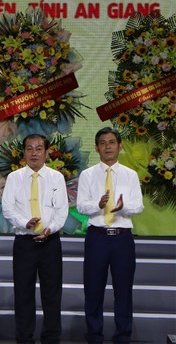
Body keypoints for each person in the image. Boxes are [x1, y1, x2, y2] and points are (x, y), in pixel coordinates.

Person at [76, 127, 144, 344]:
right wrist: (98, 204)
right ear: (97, 148)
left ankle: (122, 336)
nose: (108, 147)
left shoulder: (130, 175)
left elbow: (139, 206)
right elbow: (81, 206)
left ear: (120, 146)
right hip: (97, 238)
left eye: (112, 142)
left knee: (123, 291)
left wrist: (122, 207)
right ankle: (94, 336)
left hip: (122, 238)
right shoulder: (87, 175)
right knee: (93, 290)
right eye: (103, 143)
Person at [1, 134, 68, 344]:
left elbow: (62, 211)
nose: (34, 153)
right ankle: (24, 338)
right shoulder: (15, 178)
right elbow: (8, 208)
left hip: (50, 242)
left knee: (52, 294)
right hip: (24, 244)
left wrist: (50, 228)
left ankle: (51, 338)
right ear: (24, 153)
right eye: (29, 148)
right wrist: (25, 223)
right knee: (23, 295)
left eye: (39, 148)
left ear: (47, 152)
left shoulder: (56, 177)